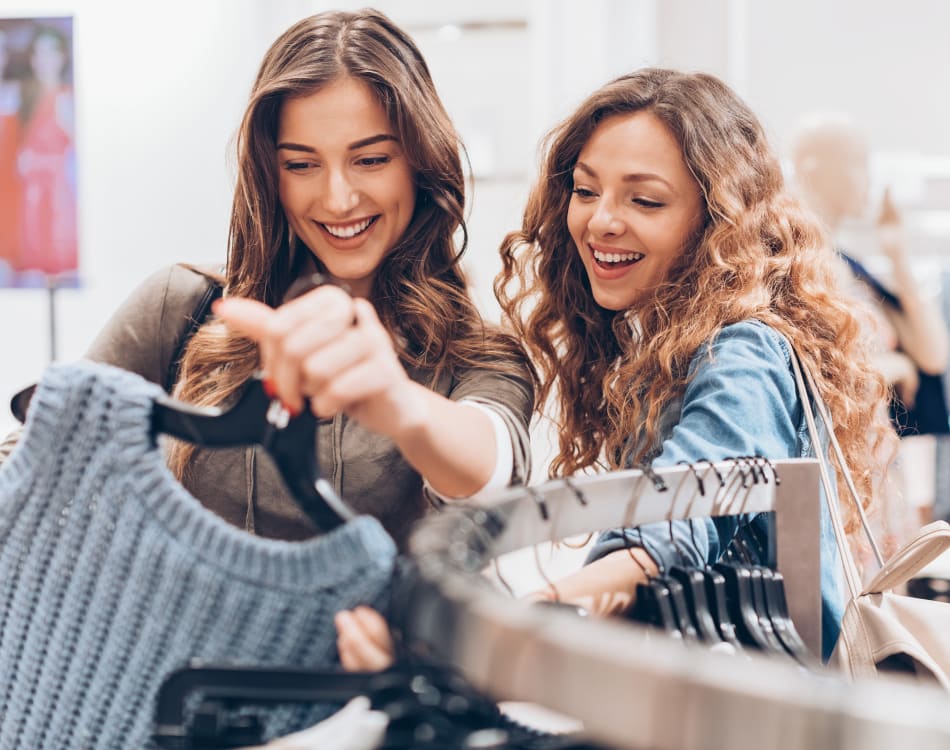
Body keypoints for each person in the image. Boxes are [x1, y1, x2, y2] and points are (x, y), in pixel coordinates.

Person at [0, 9, 532, 670]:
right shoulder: (184, 311)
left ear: (419, 163)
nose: (338, 198)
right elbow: (34, 474)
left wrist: (398, 403)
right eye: (301, 164)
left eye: (370, 159)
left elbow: (486, 468)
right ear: (268, 173)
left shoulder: (482, 360)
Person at [492, 68, 895, 662]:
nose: (601, 219)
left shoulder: (743, 353)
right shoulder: (661, 343)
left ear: (717, 221)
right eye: (585, 190)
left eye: (645, 200)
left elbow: (681, 509)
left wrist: (535, 614)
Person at [789, 114, 950, 533]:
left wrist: (897, 254)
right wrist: (896, 367)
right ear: (813, 167)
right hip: (841, 475)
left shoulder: (849, 265)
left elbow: (934, 357)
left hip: (874, 470)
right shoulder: (797, 262)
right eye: (857, 163)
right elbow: (814, 377)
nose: (868, 178)